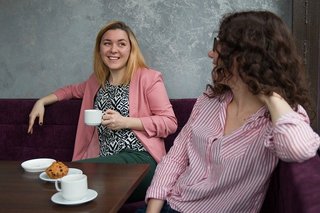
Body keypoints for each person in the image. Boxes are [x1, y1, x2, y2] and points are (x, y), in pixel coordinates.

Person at [143, 11, 320, 212]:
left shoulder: (280, 117)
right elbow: (175, 159)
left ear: (246, 56)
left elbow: (299, 148)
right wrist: (153, 209)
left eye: (219, 45)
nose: (212, 53)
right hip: (169, 205)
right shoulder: (208, 102)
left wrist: (268, 91)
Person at [27, 21, 178, 202]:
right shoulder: (96, 81)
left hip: (140, 160)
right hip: (105, 163)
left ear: (131, 49)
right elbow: (70, 90)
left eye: (121, 44)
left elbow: (169, 122)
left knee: (71, 176)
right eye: (107, 43)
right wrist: (42, 101)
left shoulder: (149, 78)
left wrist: (126, 121)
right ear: (99, 49)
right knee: (75, 191)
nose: (113, 50)